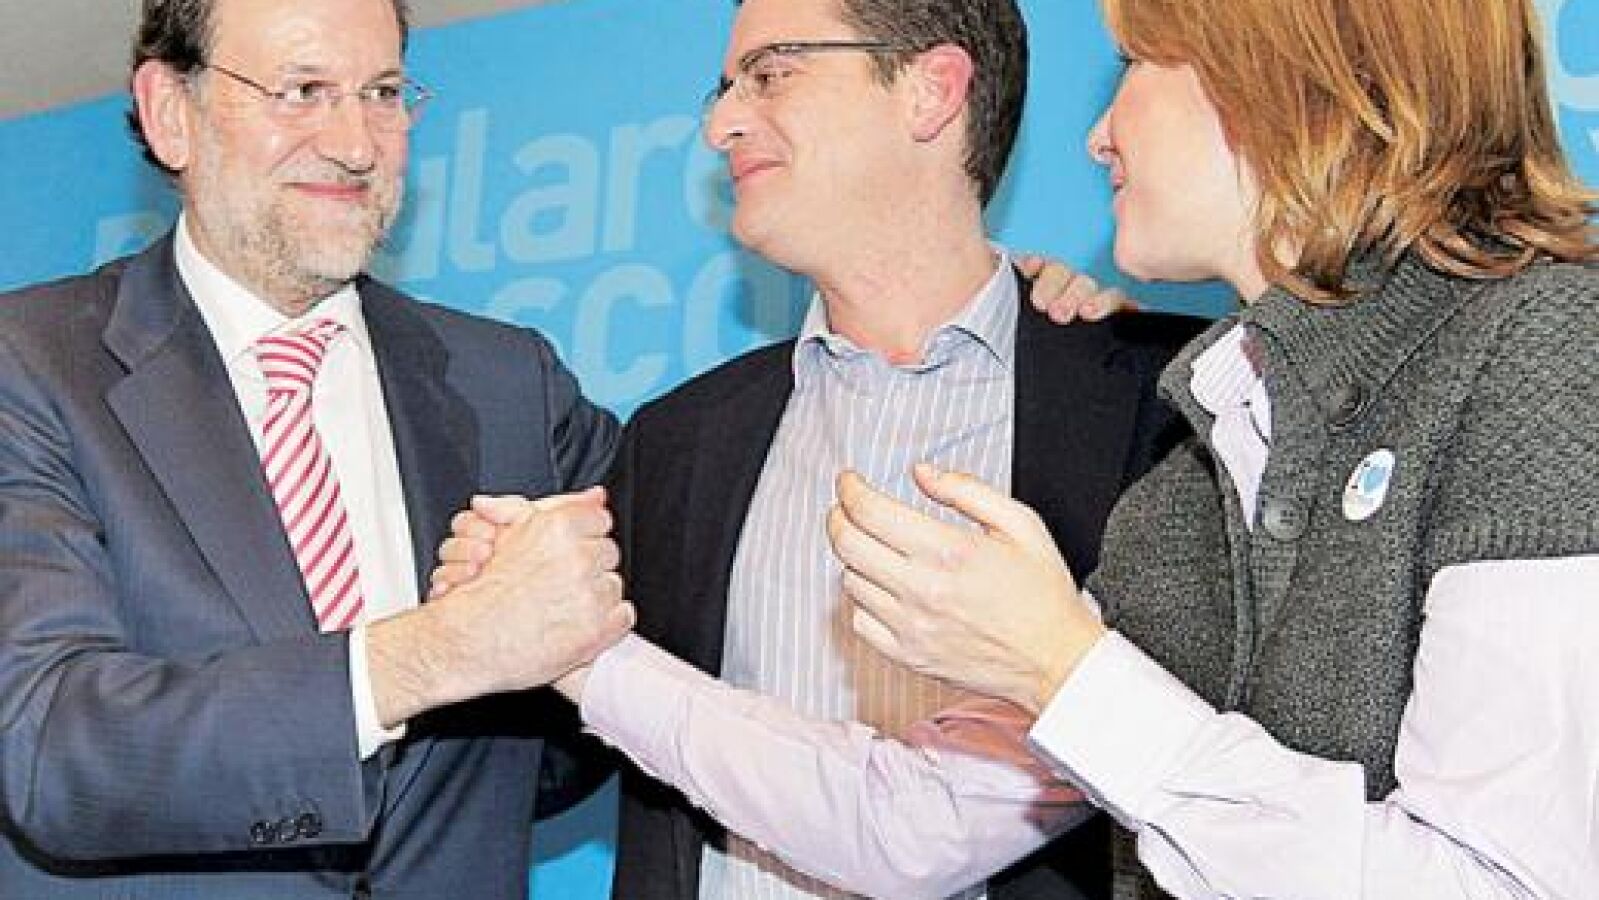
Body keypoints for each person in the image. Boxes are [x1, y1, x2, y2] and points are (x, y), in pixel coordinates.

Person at [827, 0, 1598, 895]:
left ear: (1283, 71)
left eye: (1135, 65)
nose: (1097, 138)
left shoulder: (1546, 343)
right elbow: (919, 817)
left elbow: (1502, 882)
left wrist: (1058, 665)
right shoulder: (1178, 491)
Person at [437, 0, 1205, 897]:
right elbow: (541, 764)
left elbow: (923, 827)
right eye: (725, 88)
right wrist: (483, 619)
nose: (720, 124)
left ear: (930, 90)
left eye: (771, 74)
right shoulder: (676, 442)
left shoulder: (1166, 412)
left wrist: (576, 649)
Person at [0, 0, 635, 896]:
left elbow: (597, 702)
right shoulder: (28, 366)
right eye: (303, 91)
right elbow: (51, 747)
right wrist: (430, 653)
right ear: (170, 112)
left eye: (382, 93)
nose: (355, 144)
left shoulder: (511, 385)